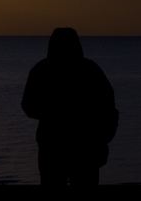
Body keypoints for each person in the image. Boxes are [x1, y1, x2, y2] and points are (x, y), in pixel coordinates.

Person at [21, 28, 118, 186]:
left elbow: (28, 106)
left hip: (56, 147)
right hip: (82, 148)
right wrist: (103, 139)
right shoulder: (91, 70)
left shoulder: (41, 70)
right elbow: (109, 107)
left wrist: (50, 113)